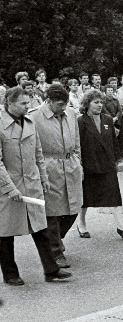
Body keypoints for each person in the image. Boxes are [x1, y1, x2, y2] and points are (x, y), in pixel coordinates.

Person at [0, 87, 71, 285]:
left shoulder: (29, 122)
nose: (27, 106)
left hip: (31, 184)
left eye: (28, 102)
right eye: (23, 103)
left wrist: (44, 178)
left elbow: (38, 154)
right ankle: (10, 273)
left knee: (41, 229)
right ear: (9, 103)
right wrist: (10, 188)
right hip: (8, 187)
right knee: (5, 232)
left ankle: (51, 270)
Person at [30, 85, 83, 267]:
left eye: (65, 104)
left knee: (73, 208)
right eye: (59, 104)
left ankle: (56, 239)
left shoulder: (70, 114)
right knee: (52, 212)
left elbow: (76, 142)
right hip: (49, 166)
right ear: (49, 101)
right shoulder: (35, 116)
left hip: (70, 165)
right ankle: (55, 252)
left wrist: (78, 163)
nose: (63, 107)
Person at [76, 90, 123, 239]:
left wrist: (116, 159)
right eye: (96, 102)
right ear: (87, 104)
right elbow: (78, 145)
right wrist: (80, 165)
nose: (99, 105)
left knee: (114, 195)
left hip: (107, 164)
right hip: (90, 166)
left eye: (101, 102)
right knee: (86, 198)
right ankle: (81, 224)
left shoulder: (108, 119)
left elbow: (113, 142)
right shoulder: (81, 121)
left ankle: (122, 226)